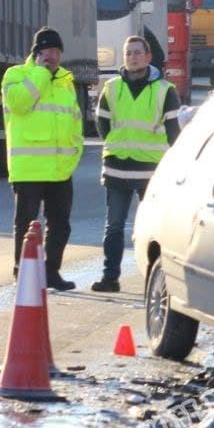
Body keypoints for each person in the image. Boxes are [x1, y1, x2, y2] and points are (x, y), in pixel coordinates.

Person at [91, 36, 181, 293]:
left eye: (137, 52)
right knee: (114, 226)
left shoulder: (165, 91)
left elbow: (174, 133)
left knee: (154, 231)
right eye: (128, 53)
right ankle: (110, 278)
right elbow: (102, 125)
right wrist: (118, 144)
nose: (133, 57)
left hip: (150, 172)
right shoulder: (111, 88)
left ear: (148, 57)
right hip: (117, 167)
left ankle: (158, 283)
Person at [2, 27, 84, 290]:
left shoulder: (66, 81)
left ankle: (51, 272)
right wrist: (39, 73)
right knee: (25, 225)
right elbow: (19, 104)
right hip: (29, 168)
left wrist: (74, 154)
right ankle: (23, 273)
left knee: (60, 225)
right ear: (36, 53)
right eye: (47, 50)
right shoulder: (16, 75)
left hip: (60, 169)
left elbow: (75, 121)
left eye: (57, 51)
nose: (53, 56)